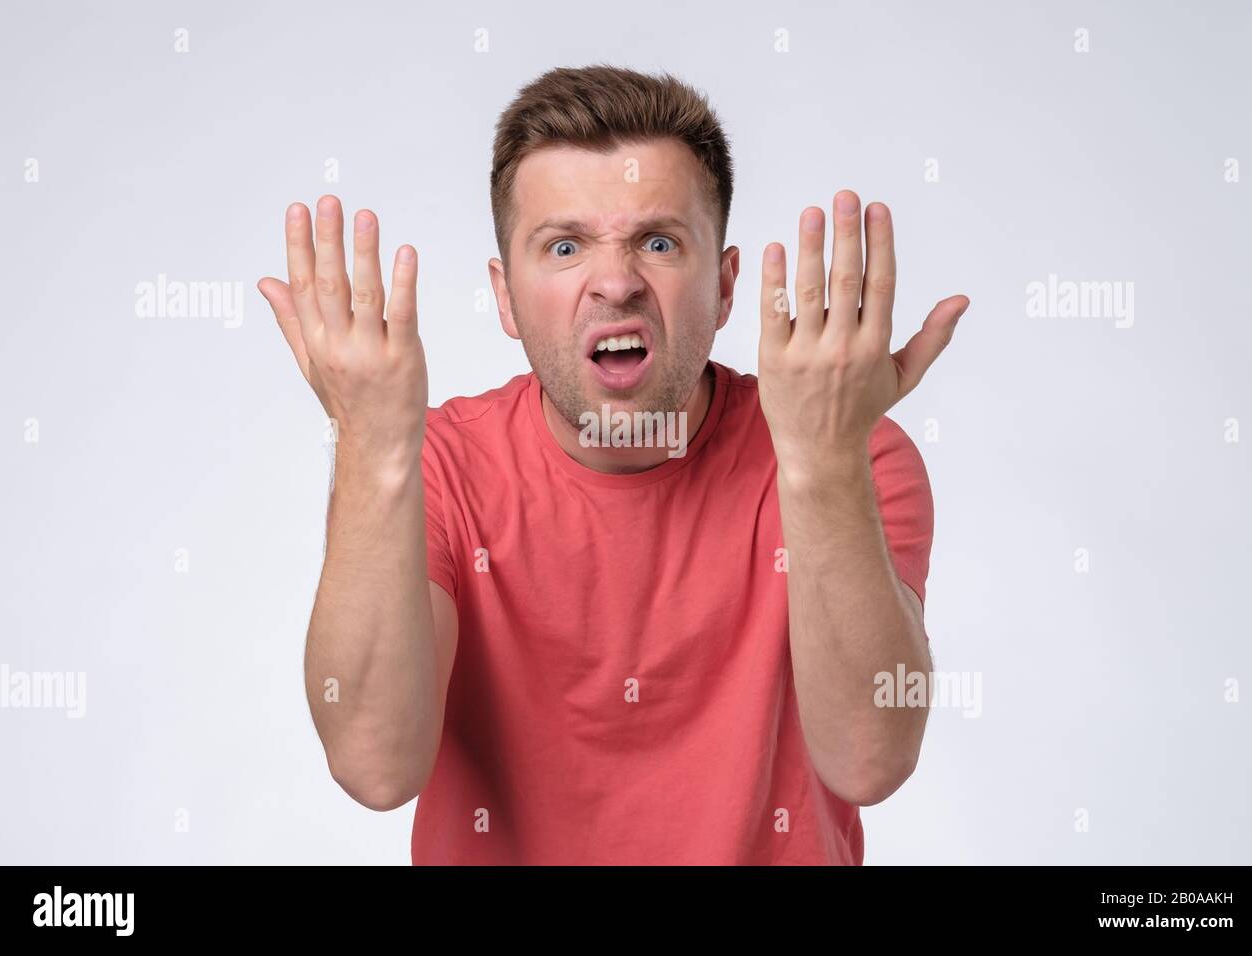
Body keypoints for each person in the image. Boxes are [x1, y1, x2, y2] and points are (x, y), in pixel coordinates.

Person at [257, 64, 969, 865]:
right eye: (565, 246)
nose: (617, 282)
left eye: (658, 242)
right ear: (506, 298)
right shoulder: (431, 468)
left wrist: (822, 457)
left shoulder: (852, 450)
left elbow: (869, 758)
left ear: (726, 286)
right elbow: (375, 766)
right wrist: (372, 450)